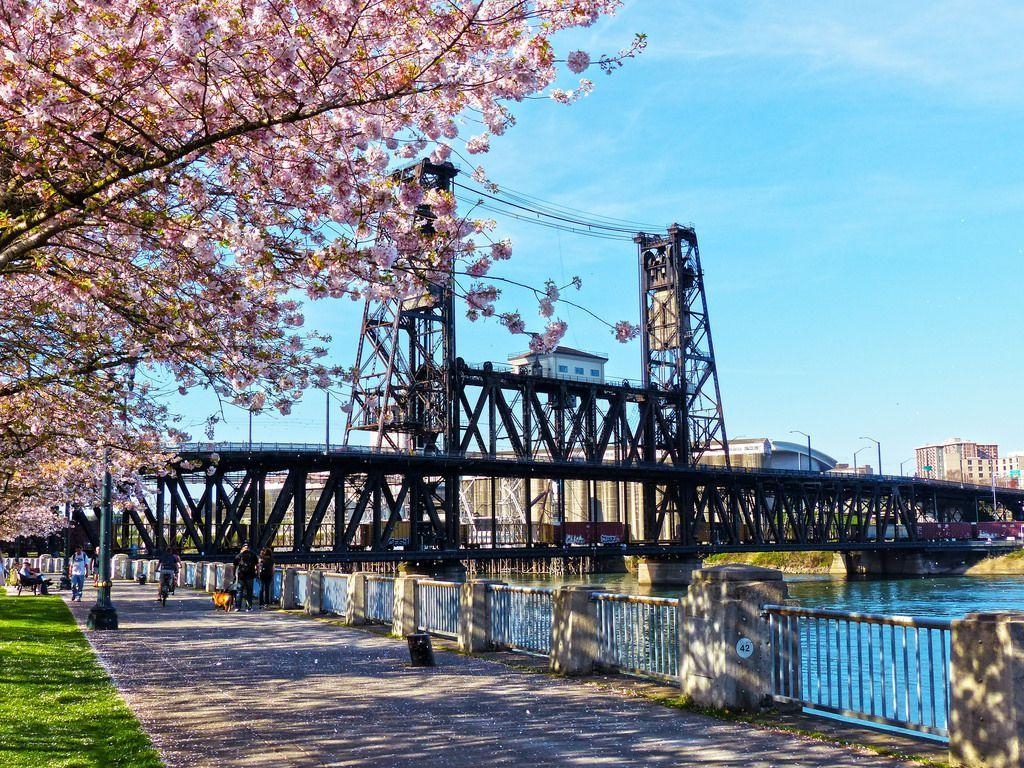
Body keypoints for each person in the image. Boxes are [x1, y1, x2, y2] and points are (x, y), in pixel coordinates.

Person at [233, 544, 258, 611]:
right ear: (249, 548)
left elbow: (235, 565)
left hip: (241, 576)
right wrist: (257, 574)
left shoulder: (239, 555)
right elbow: (257, 565)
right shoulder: (253, 555)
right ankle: (249, 607)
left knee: (239, 591)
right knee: (249, 591)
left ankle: (238, 607)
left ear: (243, 548)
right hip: (250, 576)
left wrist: (234, 575)